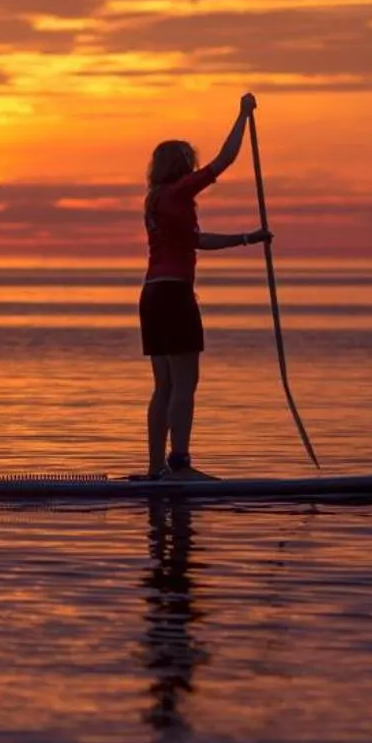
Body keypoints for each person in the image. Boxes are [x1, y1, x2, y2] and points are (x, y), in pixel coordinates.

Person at [140, 93, 271, 480]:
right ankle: (178, 465)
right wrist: (243, 115)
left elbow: (196, 242)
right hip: (174, 296)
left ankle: (155, 469)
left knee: (165, 385)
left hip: (152, 296)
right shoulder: (177, 193)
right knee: (184, 383)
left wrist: (248, 238)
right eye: (190, 165)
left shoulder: (156, 201)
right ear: (182, 168)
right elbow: (225, 161)